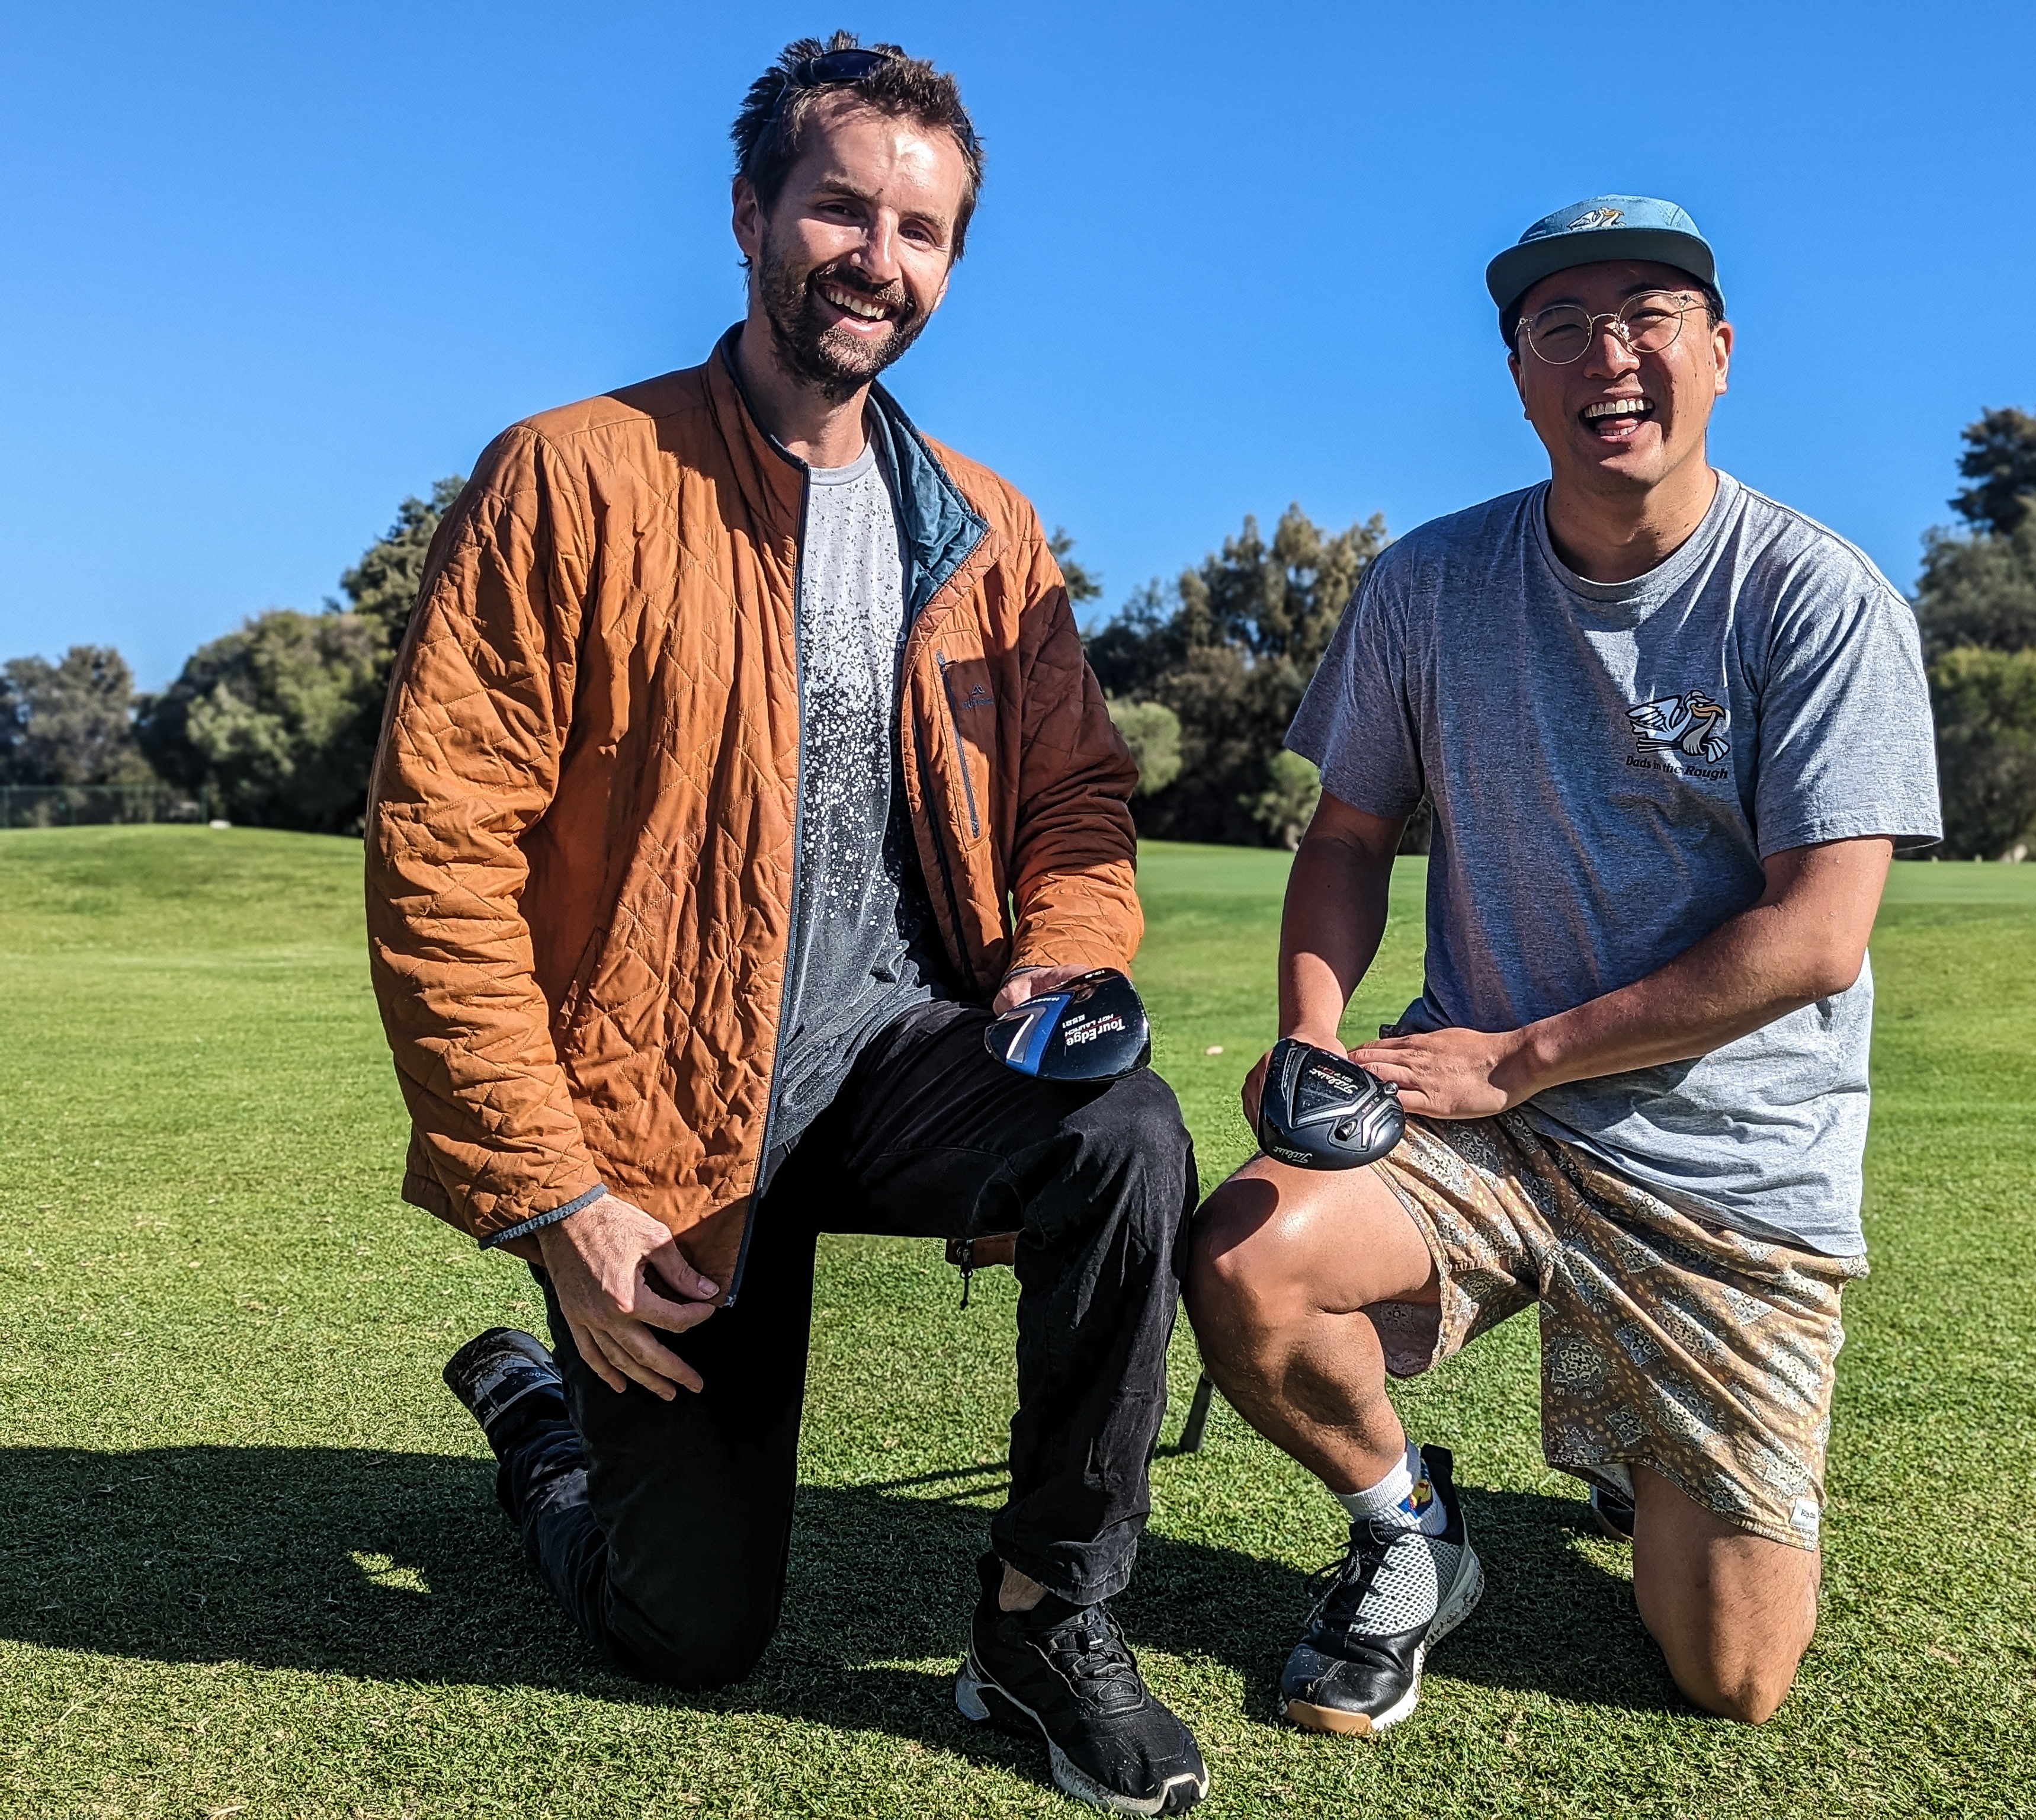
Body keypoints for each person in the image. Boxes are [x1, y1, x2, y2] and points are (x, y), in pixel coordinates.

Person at [365, 35, 1207, 1816]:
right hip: (662, 1120)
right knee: (689, 1632)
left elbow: (1074, 802)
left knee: (1125, 1131)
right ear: (751, 212)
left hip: (913, 1061)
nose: (874, 256)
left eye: (920, 228)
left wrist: (1063, 955)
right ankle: (545, 1436)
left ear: (950, 263)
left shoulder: (990, 529)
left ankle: (1051, 1616)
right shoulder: (571, 477)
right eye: (839, 205)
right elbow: (443, 854)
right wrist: (555, 1200)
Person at [1184, 194, 1942, 1736]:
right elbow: (1346, 835)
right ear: (1520, 376)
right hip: (1490, 1130)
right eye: (1562, 327)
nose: (1611, 354)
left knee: (1731, 1680)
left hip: (1725, 1169)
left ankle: (1637, 1439)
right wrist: (1313, 1039)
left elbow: (1817, 935)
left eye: (1649, 316)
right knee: (1252, 1261)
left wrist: (1515, 1056)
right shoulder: (1426, 588)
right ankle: (1411, 1526)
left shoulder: (1816, 597)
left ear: (1719, 353)